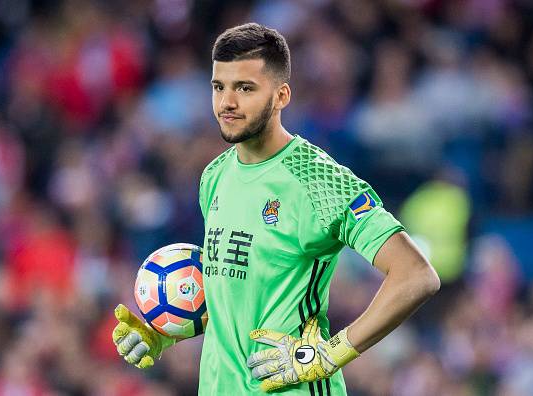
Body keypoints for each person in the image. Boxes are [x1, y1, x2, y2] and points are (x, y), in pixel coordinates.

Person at [112, 23, 440, 395]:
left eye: (245, 88)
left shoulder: (319, 179)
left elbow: (416, 275)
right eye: (219, 87)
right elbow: (238, 296)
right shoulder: (215, 176)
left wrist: (331, 354)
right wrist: (165, 331)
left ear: (282, 95)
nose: (227, 103)